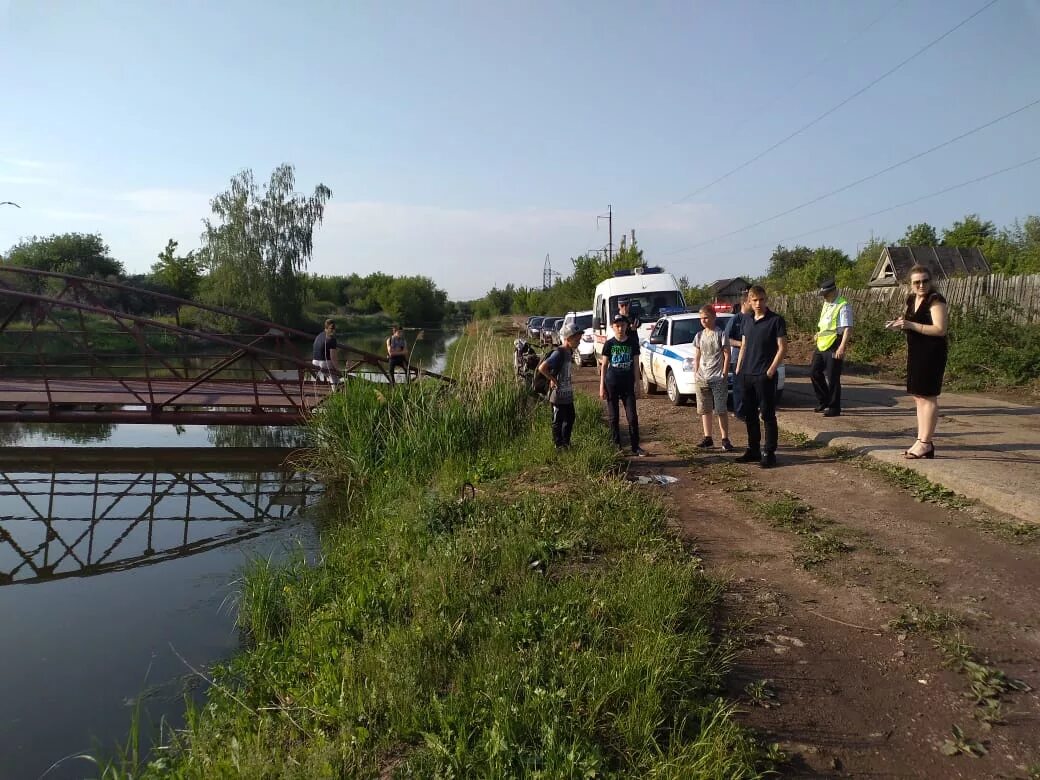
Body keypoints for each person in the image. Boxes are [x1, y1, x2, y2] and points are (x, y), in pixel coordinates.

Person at [886, 265, 948, 459]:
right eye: (917, 282)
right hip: (916, 352)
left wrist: (910, 324)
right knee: (918, 396)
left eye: (925, 281)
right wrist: (899, 324)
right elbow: (909, 322)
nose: (921, 285)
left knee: (928, 396)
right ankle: (921, 440)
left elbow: (940, 329)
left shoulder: (935, 300)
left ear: (931, 281)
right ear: (910, 284)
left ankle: (926, 443)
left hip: (932, 353)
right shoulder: (912, 299)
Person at [734, 285, 787, 468]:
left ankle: (769, 453)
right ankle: (753, 449)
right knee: (749, 415)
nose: (758, 303)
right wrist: (739, 368)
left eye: (761, 299)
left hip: (764, 375)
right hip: (747, 374)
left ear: (766, 299)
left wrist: (771, 370)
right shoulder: (746, 320)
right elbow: (744, 345)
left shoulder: (776, 320)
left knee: (767, 415)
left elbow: (782, 348)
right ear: (749, 301)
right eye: (754, 300)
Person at [599, 314, 646, 456]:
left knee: (632, 417)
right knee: (614, 417)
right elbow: (604, 365)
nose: (620, 328)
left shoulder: (632, 343)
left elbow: (636, 365)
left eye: (622, 325)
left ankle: (635, 447)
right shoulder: (609, 344)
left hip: (627, 384)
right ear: (613, 327)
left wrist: (637, 385)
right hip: (612, 383)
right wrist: (602, 386)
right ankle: (617, 447)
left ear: (627, 326)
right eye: (617, 326)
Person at [810, 278, 853, 417]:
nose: (824, 297)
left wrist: (842, 348)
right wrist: (818, 334)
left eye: (826, 294)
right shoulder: (826, 304)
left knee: (833, 377)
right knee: (814, 372)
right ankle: (824, 400)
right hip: (822, 343)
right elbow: (825, 324)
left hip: (835, 343)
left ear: (833, 291)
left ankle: (834, 408)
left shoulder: (843, 305)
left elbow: (847, 329)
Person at [692, 305, 733, 451]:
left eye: (706, 317)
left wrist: (724, 373)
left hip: (717, 378)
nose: (703, 321)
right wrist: (695, 372)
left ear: (714, 317)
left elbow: (727, 354)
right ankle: (708, 438)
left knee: (721, 409)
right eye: (701, 318)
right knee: (705, 409)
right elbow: (697, 356)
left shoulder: (721, 334)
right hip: (702, 378)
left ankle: (725, 439)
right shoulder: (698, 336)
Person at [538, 323, 583, 449]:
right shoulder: (559, 353)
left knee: (570, 418)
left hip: (567, 393)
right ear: (568, 338)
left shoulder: (569, 352)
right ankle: (559, 446)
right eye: (576, 339)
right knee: (558, 420)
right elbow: (542, 368)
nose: (579, 342)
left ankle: (566, 443)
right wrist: (553, 380)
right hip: (557, 394)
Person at [728, 292, 752, 420]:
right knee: (739, 388)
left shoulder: (753, 318)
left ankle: (749, 410)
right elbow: (726, 338)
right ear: (744, 303)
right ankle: (739, 412)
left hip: (752, 359)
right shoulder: (735, 319)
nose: (753, 304)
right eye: (750, 302)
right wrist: (741, 344)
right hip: (737, 358)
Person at [312, 318, 341, 385]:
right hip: (324, 363)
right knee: (334, 377)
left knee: (329, 374)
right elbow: (333, 357)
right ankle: (336, 392)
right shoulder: (331, 339)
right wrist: (338, 370)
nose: (333, 330)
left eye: (333, 328)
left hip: (314, 362)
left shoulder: (319, 335)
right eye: (332, 328)